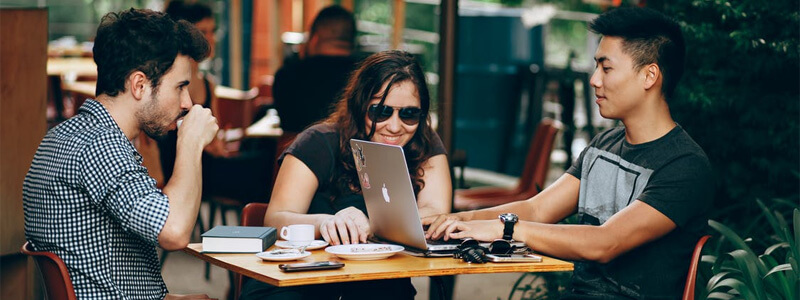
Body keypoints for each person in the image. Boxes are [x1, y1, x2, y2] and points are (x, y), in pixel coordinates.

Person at [424, 7, 713, 299]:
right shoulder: (604, 145)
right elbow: (538, 209)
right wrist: (459, 221)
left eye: (606, 67)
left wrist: (506, 229)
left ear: (650, 75)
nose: (594, 80)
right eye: (596, 66)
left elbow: (604, 243)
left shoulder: (684, 165)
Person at [23, 8, 218, 299]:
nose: (187, 103)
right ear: (139, 85)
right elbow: (174, 231)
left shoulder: (65, 135)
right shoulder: (100, 145)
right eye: (180, 87)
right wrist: (190, 142)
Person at [240, 50, 452, 300]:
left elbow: (435, 213)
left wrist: (372, 223)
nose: (395, 126)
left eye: (409, 114)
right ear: (360, 105)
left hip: (378, 283)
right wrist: (327, 223)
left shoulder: (423, 142)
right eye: (380, 112)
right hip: (299, 282)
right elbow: (274, 219)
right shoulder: (319, 141)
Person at [160, 0, 273, 202]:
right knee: (266, 165)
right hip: (182, 167)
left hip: (208, 164)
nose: (211, 38)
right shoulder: (165, 82)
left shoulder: (208, 84)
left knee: (265, 156)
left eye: (212, 31)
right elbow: (213, 144)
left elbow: (216, 139)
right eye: (203, 31)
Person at [272, 5, 360, 134]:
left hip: (296, 152)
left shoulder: (286, 75)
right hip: (349, 153)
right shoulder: (366, 75)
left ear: (314, 38)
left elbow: (286, 125)